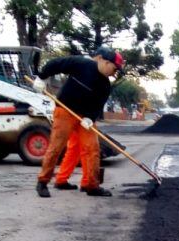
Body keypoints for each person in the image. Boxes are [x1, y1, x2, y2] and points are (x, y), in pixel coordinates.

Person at [32, 45, 124, 198]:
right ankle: (42, 182)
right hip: (65, 111)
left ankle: (91, 186)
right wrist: (42, 77)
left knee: (92, 149)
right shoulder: (82, 64)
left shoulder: (105, 85)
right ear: (104, 61)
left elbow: (98, 105)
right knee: (56, 147)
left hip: (84, 118)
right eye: (114, 69)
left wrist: (90, 118)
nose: (114, 73)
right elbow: (56, 64)